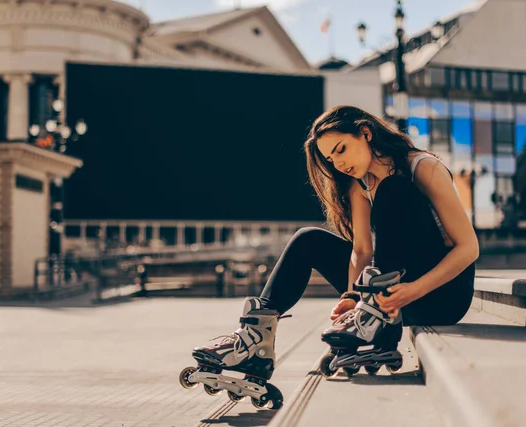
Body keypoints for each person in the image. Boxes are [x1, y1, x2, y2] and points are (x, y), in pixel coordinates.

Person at [188, 105, 478, 394]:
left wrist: (413, 290)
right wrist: (352, 297)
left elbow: (468, 249)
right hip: (395, 295)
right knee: (308, 239)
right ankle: (255, 339)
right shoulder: (360, 184)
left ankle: (379, 319)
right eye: (330, 158)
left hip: (443, 295)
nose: (338, 163)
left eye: (341, 149)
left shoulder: (422, 167)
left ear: (366, 133)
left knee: (394, 189)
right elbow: (362, 251)